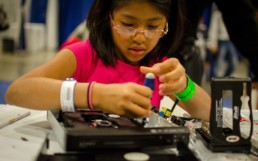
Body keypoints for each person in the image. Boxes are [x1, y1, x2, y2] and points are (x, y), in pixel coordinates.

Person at [5, 0, 211, 121]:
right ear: (108, 17)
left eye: (153, 27)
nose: (139, 37)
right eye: (128, 24)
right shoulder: (82, 56)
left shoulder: (158, 67)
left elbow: (210, 113)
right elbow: (17, 92)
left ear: (168, 25)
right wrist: (94, 95)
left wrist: (184, 86)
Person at [207, 4, 239, 78]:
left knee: (234, 64)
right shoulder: (217, 14)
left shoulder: (234, 14)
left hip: (231, 41)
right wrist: (212, 43)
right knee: (218, 64)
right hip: (221, 41)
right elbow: (213, 29)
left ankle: (224, 79)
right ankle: (216, 80)